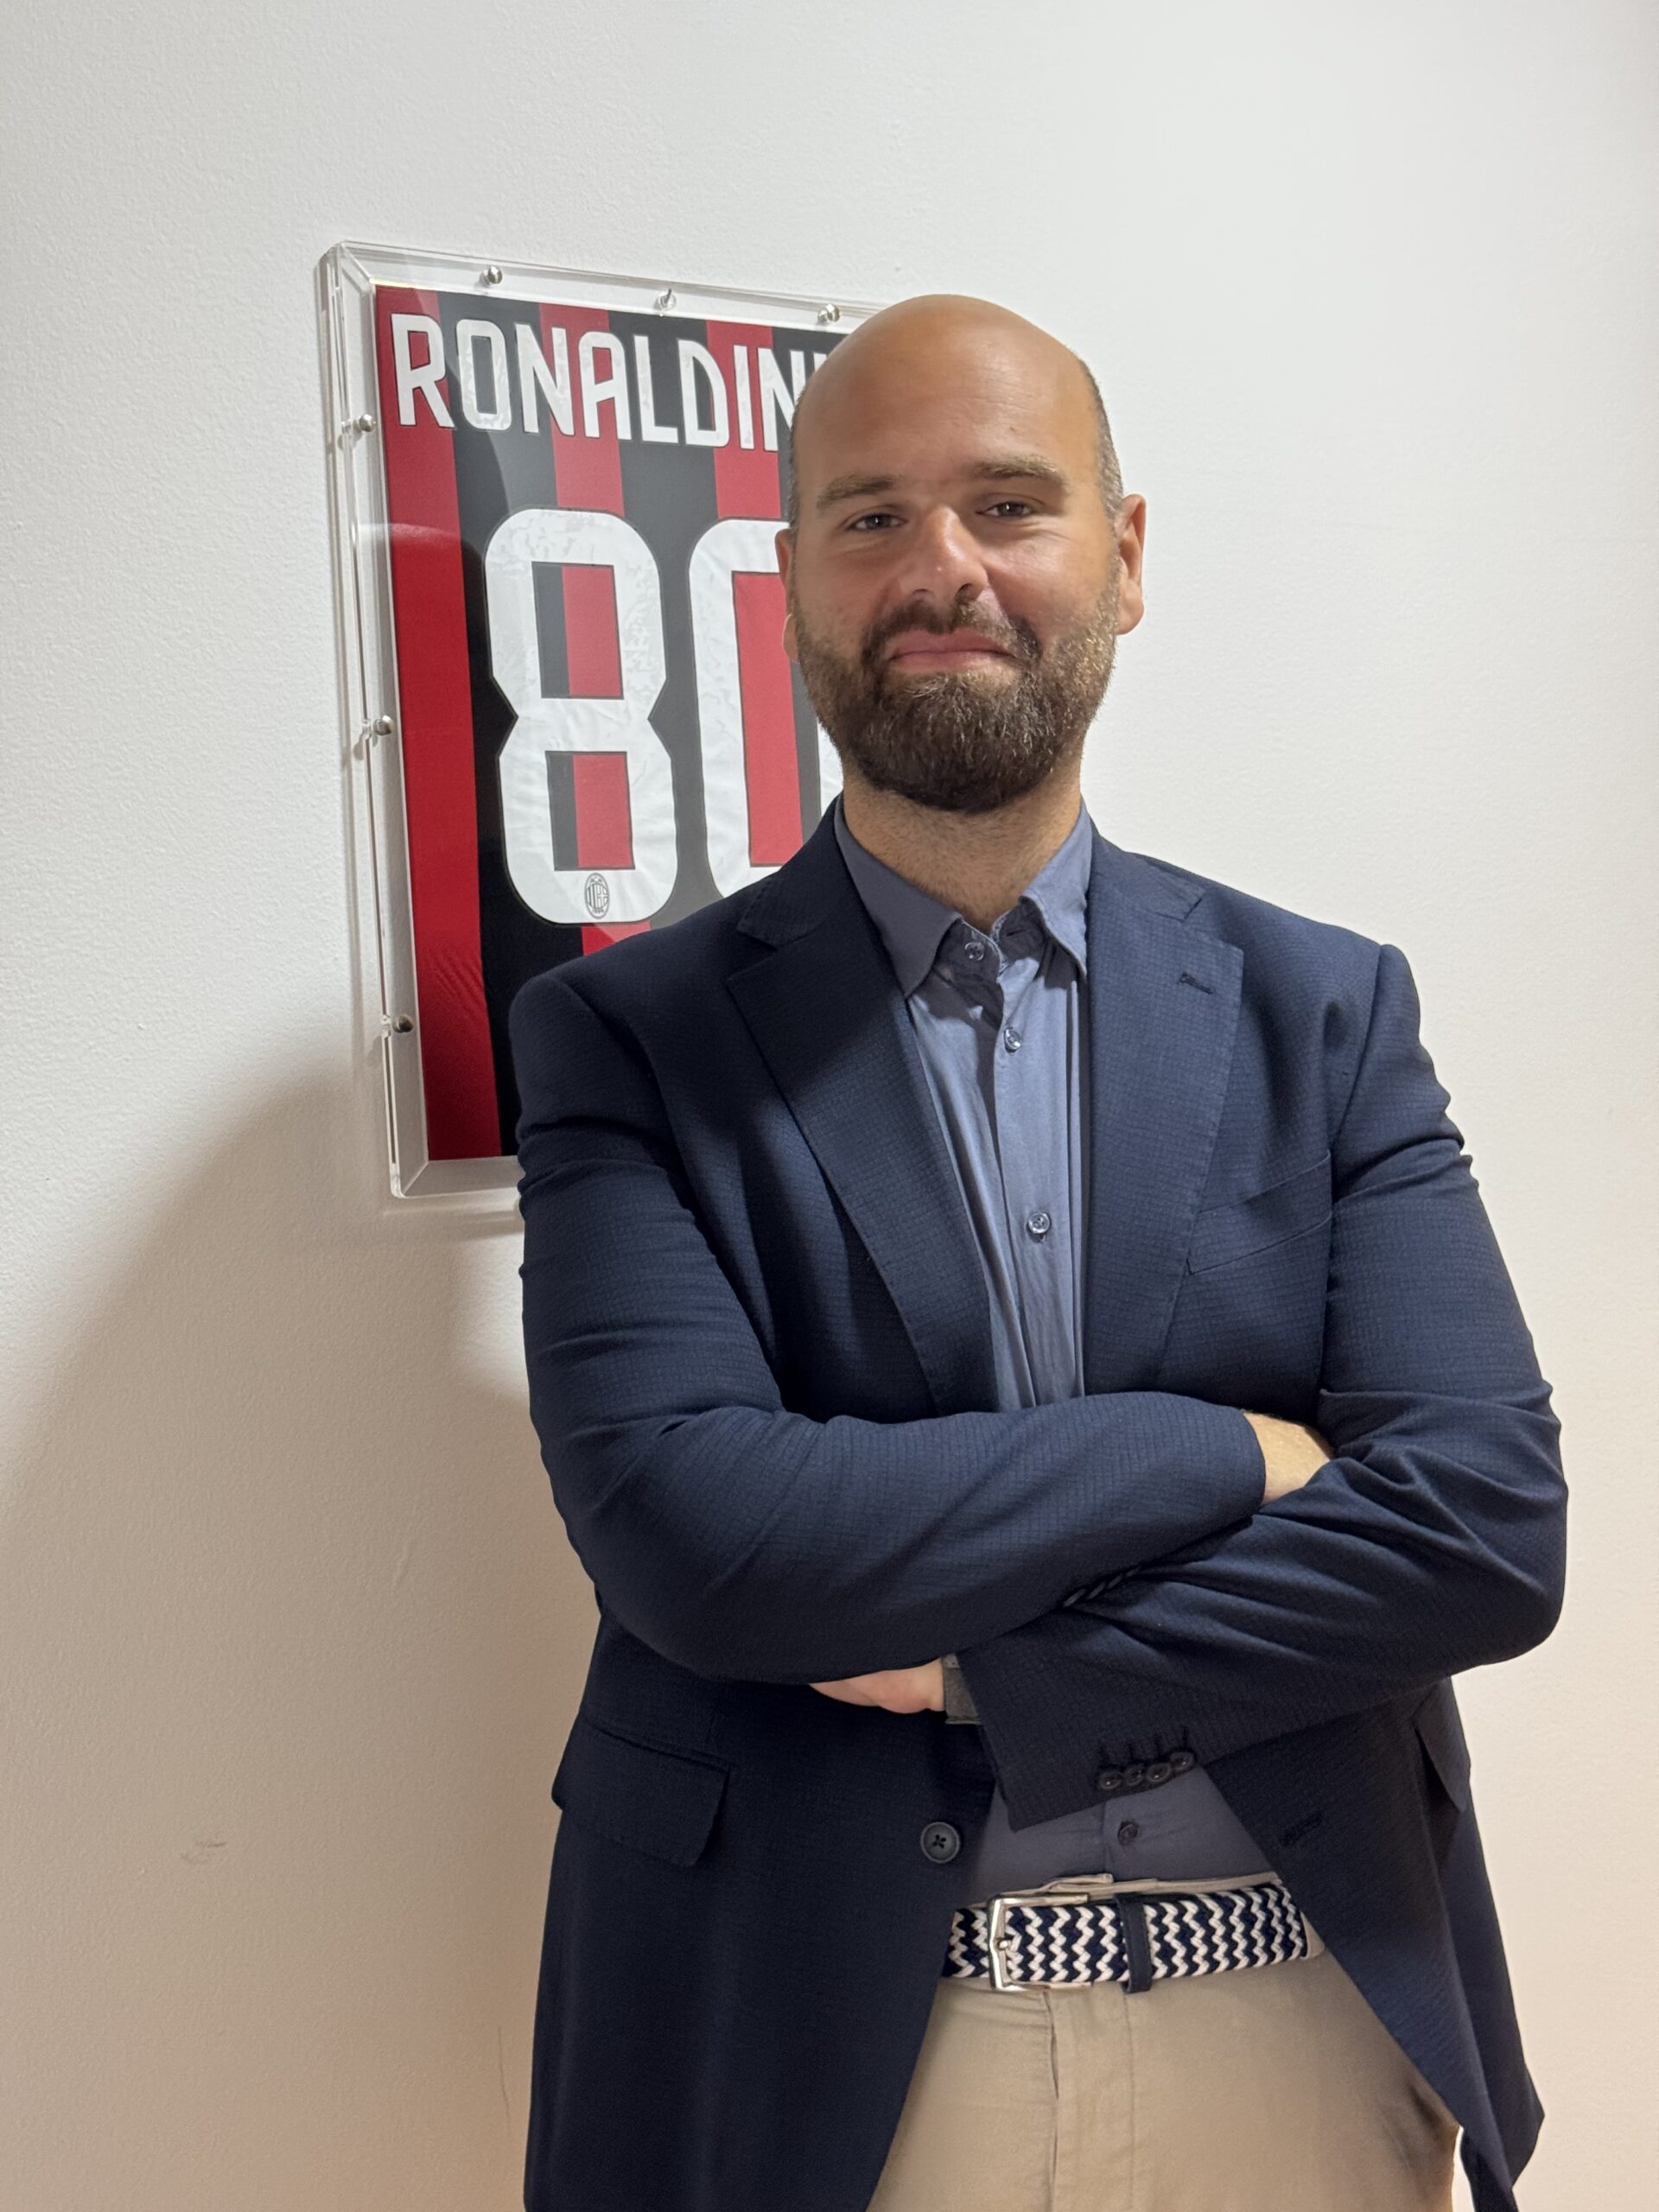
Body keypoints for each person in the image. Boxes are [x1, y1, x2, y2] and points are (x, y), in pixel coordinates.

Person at [508, 293, 1566, 2212]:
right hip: (825, 2063)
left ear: (1124, 555)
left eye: (1009, 503)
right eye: (871, 516)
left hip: (1306, 2029)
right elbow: (704, 1541)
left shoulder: (1325, 1011)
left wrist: (984, 1675)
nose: (945, 568)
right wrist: (1218, 1449)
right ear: (788, 578)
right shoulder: (629, 1039)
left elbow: (1480, 1527)